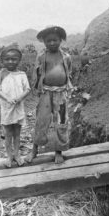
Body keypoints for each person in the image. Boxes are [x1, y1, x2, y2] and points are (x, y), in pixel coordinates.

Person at [25, 26, 74, 164]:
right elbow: (36, 73)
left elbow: (68, 72)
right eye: (48, 41)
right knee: (42, 120)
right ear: (44, 42)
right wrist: (37, 89)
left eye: (55, 40)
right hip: (46, 93)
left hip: (61, 94)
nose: (52, 43)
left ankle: (58, 151)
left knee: (61, 121)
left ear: (61, 40)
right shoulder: (41, 56)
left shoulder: (66, 57)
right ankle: (34, 150)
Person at [0, 47, 31, 168]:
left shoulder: (22, 74)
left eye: (14, 59)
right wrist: (7, 98)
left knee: (17, 133)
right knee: (8, 133)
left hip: (18, 107)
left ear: (19, 60)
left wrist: (19, 98)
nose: (10, 61)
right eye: (7, 59)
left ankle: (17, 155)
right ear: (2, 60)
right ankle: (9, 156)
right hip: (6, 107)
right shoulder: (2, 73)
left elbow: (28, 89)